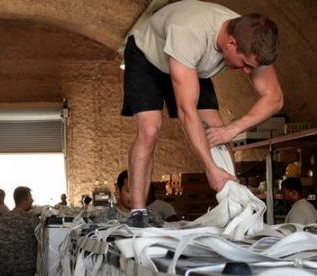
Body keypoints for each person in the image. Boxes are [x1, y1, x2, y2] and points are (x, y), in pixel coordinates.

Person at [121, 1, 283, 227]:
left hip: (191, 64)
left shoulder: (251, 37)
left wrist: (232, 130)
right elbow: (187, 111)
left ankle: (232, 202)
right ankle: (138, 213)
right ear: (231, 43)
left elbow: (274, 99)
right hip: (147, 58)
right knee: (150, 129)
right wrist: (210, 168)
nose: (247, 71)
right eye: (245, 64)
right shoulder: (189, 32)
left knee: (216, 126)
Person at [0, 186, 39, 276]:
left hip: (6, 270)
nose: (32, 201)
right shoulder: (32, 220)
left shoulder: (2, 219)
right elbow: (39, 245)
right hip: (25, 272)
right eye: (30, 198)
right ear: (24, 199)